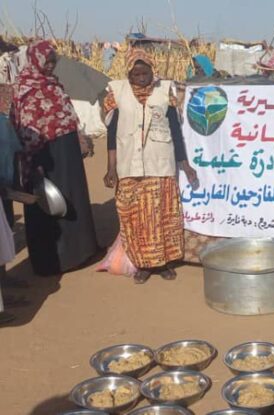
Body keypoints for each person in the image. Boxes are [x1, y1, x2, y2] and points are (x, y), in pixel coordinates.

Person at [103, 49, 197, 284]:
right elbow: (112, 135)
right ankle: (143, 264)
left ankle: (163, 263)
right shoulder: (117, 93)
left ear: (152, 72)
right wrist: (111, 167)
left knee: (161, 217)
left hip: (160, 165)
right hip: (128, 167)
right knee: (135, 218)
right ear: (129, 74)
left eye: (145, 73)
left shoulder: (165, 92)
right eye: (136, 74)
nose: (142, 78)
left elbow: (175, 132)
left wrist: (185, 165)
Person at [11, 40, 98, 277]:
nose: (50, 65)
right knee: (46, 202)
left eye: (53, 61)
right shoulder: (24, 87)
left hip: (67, 151)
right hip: (42, 153)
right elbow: (23, 125)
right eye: (46, 61)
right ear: (35, 60)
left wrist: (79, 137)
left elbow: (68, 114)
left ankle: (80, 252)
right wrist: (32, 161)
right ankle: (51, 261)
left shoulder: (54, 84)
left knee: (73, 196)